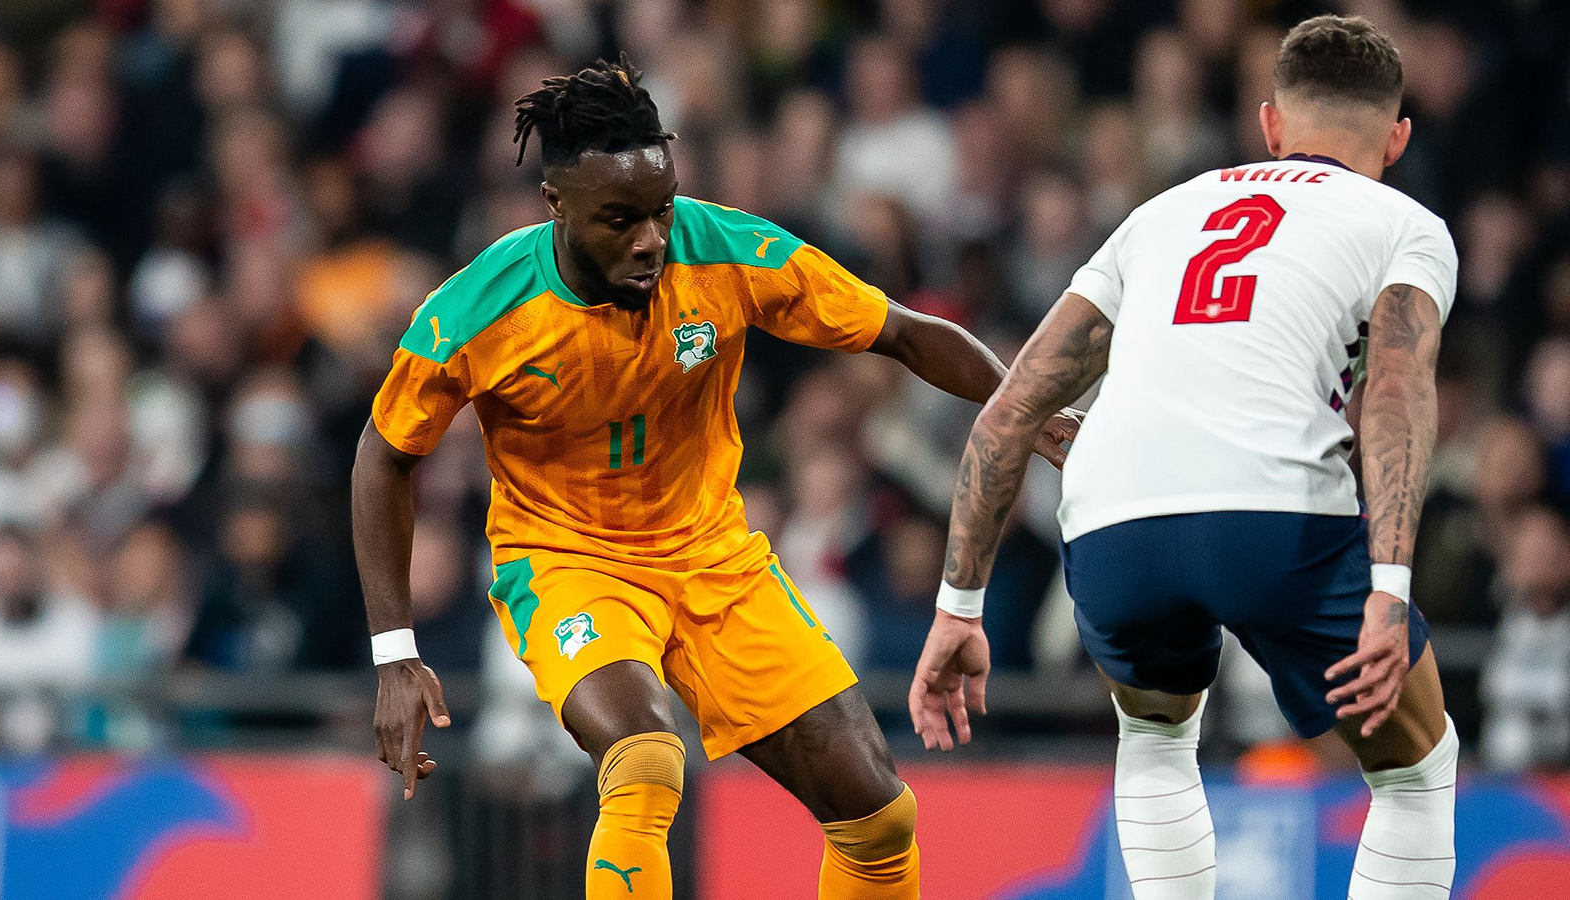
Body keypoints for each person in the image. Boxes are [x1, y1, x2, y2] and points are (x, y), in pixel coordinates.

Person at [352, 56, 1075, 900]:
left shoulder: (724, 251)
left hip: (712, 556)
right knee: (648, 758)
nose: (651, 238)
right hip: (569, 565)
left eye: (659, 210)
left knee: (879, 818)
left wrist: (1031, 409)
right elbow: (384, 454)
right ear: (558, 207)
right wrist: (394, 654)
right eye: (620, 219)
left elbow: (904, 331)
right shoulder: (479, 309)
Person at [911, 16, 1458, 900]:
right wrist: (1388, 592)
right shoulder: (1406, 224)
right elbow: (1395, 393)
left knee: (1159, 741)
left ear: (1272, 124)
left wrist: (957, 608)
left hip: (1112, 521)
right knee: (1414, 769)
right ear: (1396, 138)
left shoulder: (1159, 215)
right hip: (1274, 515)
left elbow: (1012, 407)